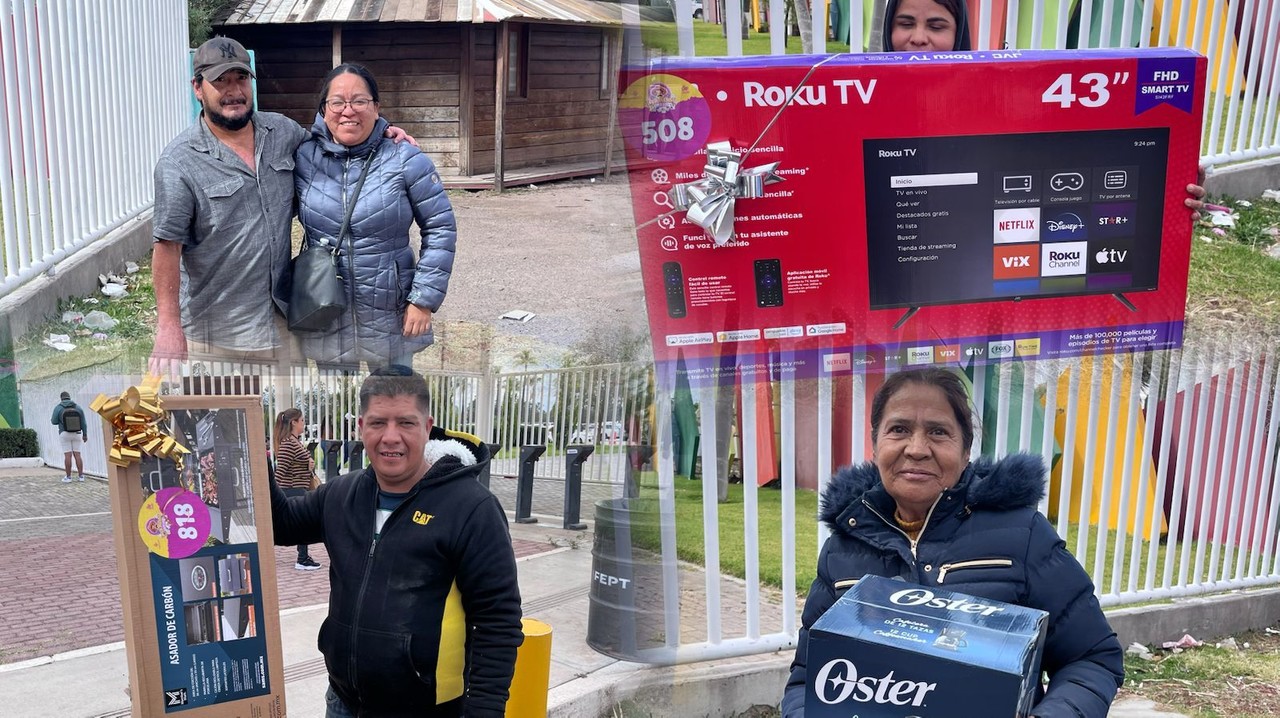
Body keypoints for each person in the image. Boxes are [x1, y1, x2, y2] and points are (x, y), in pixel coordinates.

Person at [781, 368, 1123, 717]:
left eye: (938, 432)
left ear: (964, 452)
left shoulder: (1023, 536)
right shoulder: (843, 549)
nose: (916, 449)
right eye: (899, 429)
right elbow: (807, 676)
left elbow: (1091, 657)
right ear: (875, 444)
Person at [148, 37, 416, 376]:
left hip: (279, 326)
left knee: (287, 425)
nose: (234, 91)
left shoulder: (282, 133)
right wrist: (169, 326)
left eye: (240, 79)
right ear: (198, 88)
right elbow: (167, 246)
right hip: (215, 333)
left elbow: (335, 137)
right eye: (221, 81)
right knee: (225, 428)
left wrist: (382, 129)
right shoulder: (179, 162)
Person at [268, 365, 522, 716]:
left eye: (405, 422)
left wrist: (484, 711)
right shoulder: (341, 494)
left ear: (427, 427)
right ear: (361, 427)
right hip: (342, 703)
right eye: (377, 423)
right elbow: (280, 525)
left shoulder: (472, 508)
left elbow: (499, 620)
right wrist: (247, 451)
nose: (390, 437)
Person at [881, 0, 1208, 212]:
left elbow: (1068, 169)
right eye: (905, 23)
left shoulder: (995, 105)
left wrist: (1166, 187)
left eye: (937, 26)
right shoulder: (859, 106)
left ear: (960, 33)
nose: (919, 38)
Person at [294, 63, 457, 368]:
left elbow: (440, 227)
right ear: (324, 110)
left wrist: (423, 299)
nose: (348, 111)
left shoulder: (404, 157)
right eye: (338, 102)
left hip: (391, 314)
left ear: (376, 107)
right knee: (333, 409)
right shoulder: (302, 157)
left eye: (359, 101)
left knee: (392, 405)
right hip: (324, 310)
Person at [273, 408, 321, 571]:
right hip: (292, 490)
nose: (304, 424)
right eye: (302, 421)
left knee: (303, 523)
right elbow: (280, 472)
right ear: (293, 422)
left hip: (299, 489)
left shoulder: (294, 441)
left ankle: (303, 557)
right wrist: (272, 495)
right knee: (302, 523)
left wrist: (308, 465)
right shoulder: (288, 443)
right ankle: (302, 559)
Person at [50, 391, 88, 483]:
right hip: (77, 433)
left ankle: (68, 477)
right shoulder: (77, 407)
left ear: (61, 398)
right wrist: (85, 434)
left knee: (68, 455)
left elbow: (54, 422)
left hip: (64, 433)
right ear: (69, 397)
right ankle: (81, 476)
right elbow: (83, 422)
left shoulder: (58, 408)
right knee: (77, 455)